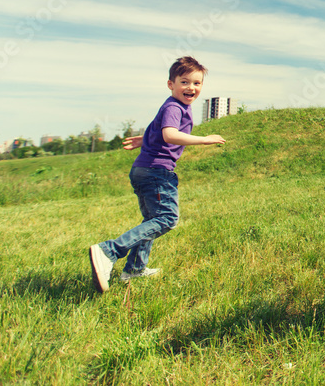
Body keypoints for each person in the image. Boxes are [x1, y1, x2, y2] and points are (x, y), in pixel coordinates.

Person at [88, 56, 225, 292]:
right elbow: (170, 134)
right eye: (184, 82)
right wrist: (204, 140)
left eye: (197, 83)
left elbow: (158, 130)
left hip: (144, 169)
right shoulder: (174, 107)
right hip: (156, 172)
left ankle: (134, 269)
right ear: (171, 84)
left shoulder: (173, 106)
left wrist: (144, 140)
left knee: (152, 220)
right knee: (166, 219)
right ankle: (109, 250)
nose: (191, 88)